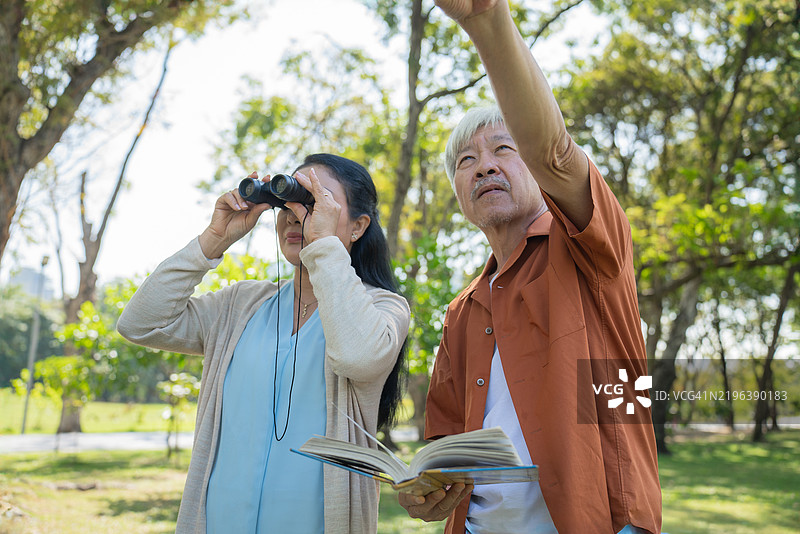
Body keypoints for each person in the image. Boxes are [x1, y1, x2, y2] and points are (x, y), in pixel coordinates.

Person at [399, 1, 662, 533]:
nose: (485, 165)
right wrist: (426, 488)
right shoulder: (461, 311)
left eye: (503, 148)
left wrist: (486, 20)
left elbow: (556, 153)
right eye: (465, 161)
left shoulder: (589, 250)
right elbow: (445, 443)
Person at [117, 153, 410, 534]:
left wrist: (322, 244)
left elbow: (358, 356)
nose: (293, 216)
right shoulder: (240, 305)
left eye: (312, 202)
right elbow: (140, 324)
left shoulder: (382, 308)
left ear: (357, 226)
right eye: (286, 203)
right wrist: (212, 241)